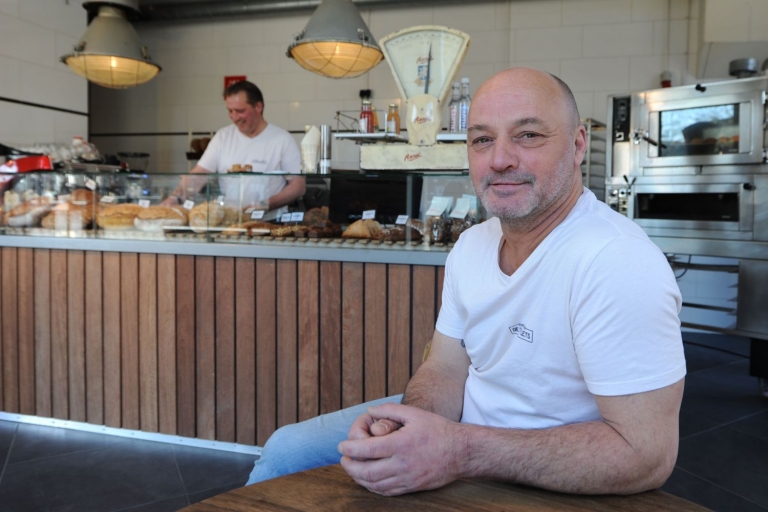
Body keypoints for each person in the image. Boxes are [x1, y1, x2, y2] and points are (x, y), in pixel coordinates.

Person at [246, 67, 686, 496]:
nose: (499, 159)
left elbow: (645, 454)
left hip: (533, 469)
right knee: (286, 449)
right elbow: (443, 369)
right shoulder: (473, 245)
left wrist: (459, 451)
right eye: (481, 140)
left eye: (528, 135)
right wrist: (404, 427)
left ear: (576, 145)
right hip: (461, 435)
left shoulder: (617, 261)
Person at [163, 81, 305, 220]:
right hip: (230, 221)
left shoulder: (282, 139)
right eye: (230, 111)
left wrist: (263, 205)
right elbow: (200, 174)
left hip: (270, 221)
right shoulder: (223, 137)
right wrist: (175, 197)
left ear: (258, 107)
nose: (234, 117)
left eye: (240, 111)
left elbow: (298, 186)